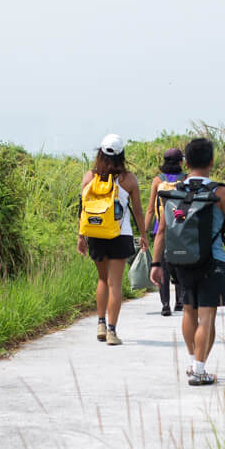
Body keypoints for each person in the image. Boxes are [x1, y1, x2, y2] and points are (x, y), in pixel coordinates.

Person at [149, 136, 225, 386]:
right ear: (211, 161)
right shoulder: (218, 191)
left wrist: (156, 264)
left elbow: (162, 231)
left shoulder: (174, 191)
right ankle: (200, 370)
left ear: (186, 162)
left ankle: (193, 362)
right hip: (211, 261)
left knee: (188, 310)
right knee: (207, 315)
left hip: (180, 261)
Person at [77, 133, 148, 346]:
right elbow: (137, 211)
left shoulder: (89, 177)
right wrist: (143, 235)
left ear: (100, 152)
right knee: (114, 284)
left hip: (96, 234)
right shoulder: (128, 179)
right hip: (120, 234)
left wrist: (81, 237)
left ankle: (100, 323)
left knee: (102, 280)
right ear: (121, 154)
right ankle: (111, 331)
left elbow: (82, 210)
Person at [145, 146, 185, 317]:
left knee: (162, 266)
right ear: (180, 162)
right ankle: (180, 302)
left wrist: (144, 232)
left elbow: (149, 209)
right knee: (180, 264)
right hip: (180, 228)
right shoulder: (186, 179)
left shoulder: (157, 180)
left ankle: (165, 305)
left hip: (159, 229)